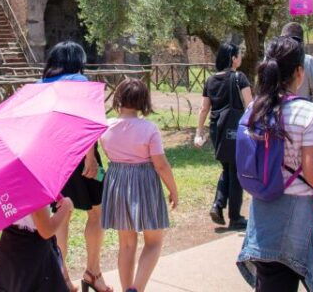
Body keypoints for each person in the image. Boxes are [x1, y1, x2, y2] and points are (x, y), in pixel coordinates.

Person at [236, 36, 313, 292]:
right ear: (299, 72)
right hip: (298, 213)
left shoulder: (255, 108)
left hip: (262, 206)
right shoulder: (309, 113)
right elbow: (312, 171)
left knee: (271, 283)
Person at [40, 41, 111, 292]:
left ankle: (63, 278)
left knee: (62, 215)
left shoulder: (42, 86)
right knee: (97, 212)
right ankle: (93, 273)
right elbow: (88, 122)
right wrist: (90, 157)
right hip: (81, 154)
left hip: (53, 158)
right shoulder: (82, 82)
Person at [100, 78, 178, 292]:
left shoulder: (106, 127)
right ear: (144, 101)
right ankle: (137, 289)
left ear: (119, 99)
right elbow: (161, 165)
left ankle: (127, 288)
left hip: (117, 181)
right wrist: (173, 189)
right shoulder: (149, 128)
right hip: (145, 181)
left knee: (126, 243)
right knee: (153, 241)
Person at [195, 42, 252, 229]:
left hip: (217, 130)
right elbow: (250, 105)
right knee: (236, 171)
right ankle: (235, 217)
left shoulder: (210, 81)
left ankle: (217, 205)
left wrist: (199, 132)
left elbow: (204, 109)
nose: (241, 58)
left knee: (227, 168)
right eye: (239, 54)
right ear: (233, 58)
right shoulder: (239, 77)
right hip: (235, 129)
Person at [0, 197, 75, 292]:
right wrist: (66, 207)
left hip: (9, 246)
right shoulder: (33, 188)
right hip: (31, 254)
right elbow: (46, 230)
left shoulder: (5, 184)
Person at [280, 22, 313, 105]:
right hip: (303, 113)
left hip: (277, 113)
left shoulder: (271, 60)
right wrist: (308, 110)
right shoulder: (308, 61)